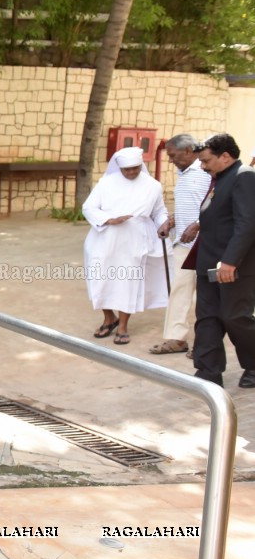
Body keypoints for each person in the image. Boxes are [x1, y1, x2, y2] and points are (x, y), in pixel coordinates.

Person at [82, 147, 169, 346]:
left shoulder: (153, 185)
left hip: (135, 239)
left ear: (141, 165)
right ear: (119, 167)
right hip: (104, 237)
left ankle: (122, 326)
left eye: (135, 168)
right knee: (100, 279)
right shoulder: (106, 183)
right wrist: (108, 219)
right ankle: (108, 318)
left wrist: (164, 223)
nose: (131, 172)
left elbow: (159, 211)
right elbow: (89, 207)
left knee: (128, 282)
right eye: (126, 169)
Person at [191, 133, 255, 388]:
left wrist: (230, 261)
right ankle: (208, 373)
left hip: (234, 266)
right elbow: (221, 216)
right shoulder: (220, 178)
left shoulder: (244, 177)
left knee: (234, 317)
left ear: (226, 156)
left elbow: (247, 223)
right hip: (208, 263)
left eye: (206, 161)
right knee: (207, 318)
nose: (202, 166)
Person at [150, 135, 211, 355]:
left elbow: (217, 208)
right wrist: (172, 220)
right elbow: (191, 205)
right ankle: (176, 339)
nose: (170, 160)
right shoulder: (183, 172)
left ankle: (205, 343)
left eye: (173, 155)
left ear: (187, 151)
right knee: (179, 290)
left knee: (206, 296)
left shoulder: (206, 172)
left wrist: (197, 225)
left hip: (206, 244)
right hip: (184, 244)